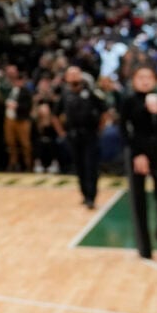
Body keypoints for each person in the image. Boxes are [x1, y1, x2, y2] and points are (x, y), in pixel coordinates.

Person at [120, 66, 157, 259]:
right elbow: (125, 130)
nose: (145, 80)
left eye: (149, 77)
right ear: (134, 80)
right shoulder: (129, 101)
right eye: (141, 77)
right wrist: (137, 154)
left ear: (155, 80)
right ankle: (144, 247)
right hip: (137, 154)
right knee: (139, 200)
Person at [55, 66, 106, 209]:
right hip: (73, 135)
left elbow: (104, 111)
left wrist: (100, 129)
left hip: (90, 134)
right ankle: (84, 195)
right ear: (66, 77)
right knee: (79, 166)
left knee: (91, 166)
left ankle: (92, 196)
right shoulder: (65, 94)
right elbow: (55, 114)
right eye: (70, 74)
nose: (73, 77)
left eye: (76, 74)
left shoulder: (91, 92)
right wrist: (61, 132)